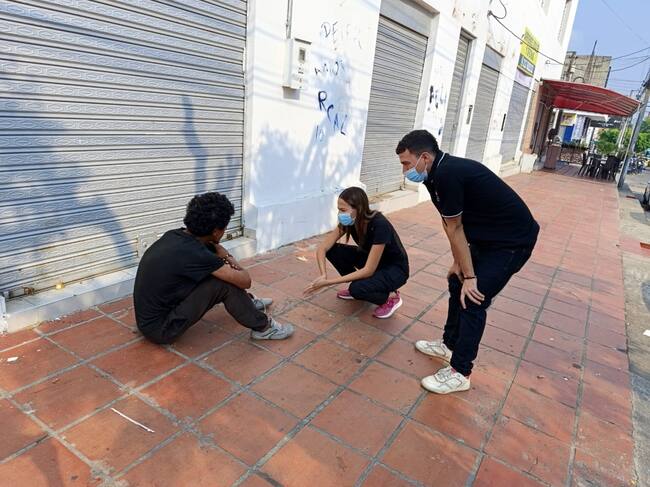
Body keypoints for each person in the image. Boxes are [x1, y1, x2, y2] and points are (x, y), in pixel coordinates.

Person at [396, 130, 539, 394]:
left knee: (473, 298)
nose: (405, 170)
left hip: (512, 242)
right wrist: (458, 264)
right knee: (456, 281)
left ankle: (460, 372)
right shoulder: (432, 175)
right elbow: (449, 223)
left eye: (406, 163)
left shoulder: (449, 174)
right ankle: (449, 345)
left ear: (424, 157)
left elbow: (456, 227)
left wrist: (471, 276)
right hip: (486, 238)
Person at [134, 192, 294, 344]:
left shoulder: (175, 235)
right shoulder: (197, 253)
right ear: (216, 232)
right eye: (225, 228)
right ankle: (264, 328)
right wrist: (226, 255)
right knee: (224, 284)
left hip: (148, 320)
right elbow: (245, 281)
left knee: (217, 274)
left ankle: (247, 303)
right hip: (161, 329)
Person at [303, 187, 409, 319]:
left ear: (358, 208)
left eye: (343, 210)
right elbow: (323, 248)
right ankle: (363, 284)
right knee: (333, 250)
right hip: (372, 260)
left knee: (356, 289)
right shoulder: (351, 221)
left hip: (394, 269)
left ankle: (390, 297)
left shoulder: (380, 225)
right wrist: (323, 275)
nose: (340, 214)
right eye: (338, 210)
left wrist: (329, 282)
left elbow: (369, 270)